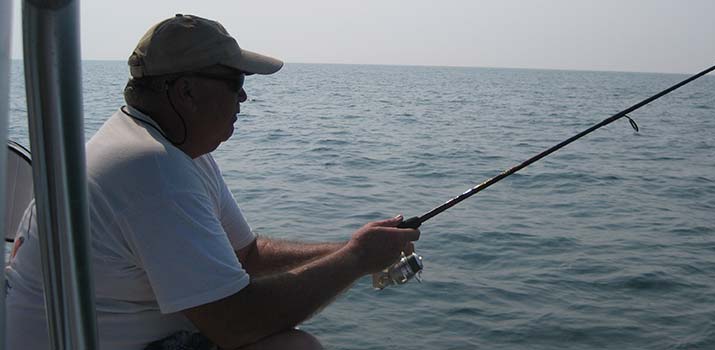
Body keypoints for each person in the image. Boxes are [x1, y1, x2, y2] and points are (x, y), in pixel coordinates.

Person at [4, 14, 420, 350]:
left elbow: (248, 255)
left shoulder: (171, 148)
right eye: (235, 84)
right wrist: (356, 261)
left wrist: (351, 248)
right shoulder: (151, 171)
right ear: (185, 92)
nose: (244, 98)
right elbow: (236, 325)